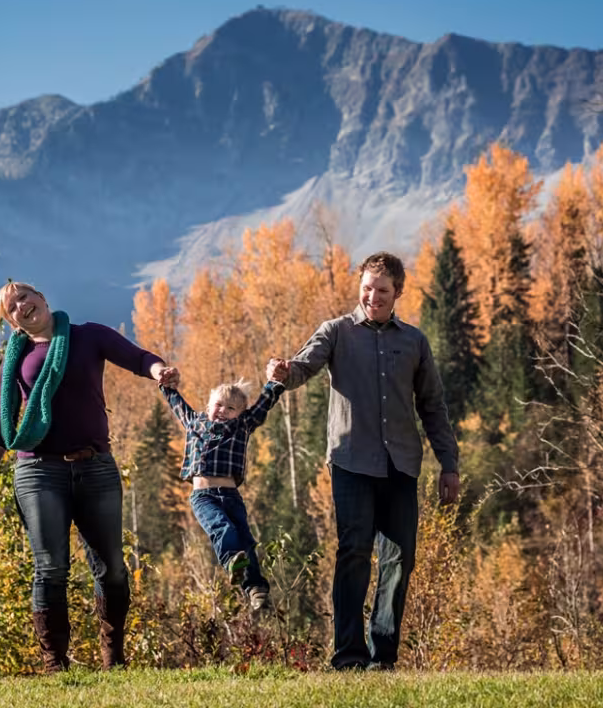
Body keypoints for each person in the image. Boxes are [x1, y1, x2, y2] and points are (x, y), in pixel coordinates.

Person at [267, 251, 460, 671]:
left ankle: (383, 658)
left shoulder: (414, 342)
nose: (373, 296)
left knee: (399, 558)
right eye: (367, 288)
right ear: (360, 288)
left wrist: (449, 463)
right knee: (353, 552)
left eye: (383, 290)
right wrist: (284, 373)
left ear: (398, 293)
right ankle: (349, 655)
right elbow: (305, 364)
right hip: (351, 463)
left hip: (401, 465)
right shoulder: (336, 332)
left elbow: (433, 406)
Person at [0, 281, 178, 673]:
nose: (22, 305)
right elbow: (2, 421)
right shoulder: (18, 358)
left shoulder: (88, 337)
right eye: (12, 306)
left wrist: (159, 371)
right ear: (12, 323)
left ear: (43, 297)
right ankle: (55, 663)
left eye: (25, 296)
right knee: (50, 567)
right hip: (38, 471)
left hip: (95, 466)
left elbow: (136, 357)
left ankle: (113, 656)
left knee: (112, 568)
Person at [159, 369, 285, 612]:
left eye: (231, 409)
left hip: (231, 496)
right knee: (221, 527)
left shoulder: (243, 425)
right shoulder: (194, 421)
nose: (223, 411)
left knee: (246, 540)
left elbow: (264, 404)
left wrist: (275, 382)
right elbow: (175, 401)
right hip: (203, 497)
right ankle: (230, 562)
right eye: (218, 405)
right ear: (208, 405)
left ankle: (256, 590)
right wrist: (166, 383)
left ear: (239, 413)